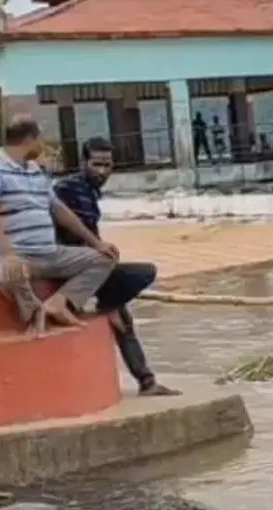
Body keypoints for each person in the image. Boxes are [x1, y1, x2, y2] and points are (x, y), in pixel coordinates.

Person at [53, 137, 180, 396]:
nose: (102, 171)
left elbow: (91, 233)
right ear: (83, 163)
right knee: (145, 273)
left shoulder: (89, 190)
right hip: (72, 264)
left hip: (90, 262)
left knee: (124, 316)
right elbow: (73, 232)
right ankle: (145, 378)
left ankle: (146, 381)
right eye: (96, 164)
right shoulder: (69, 188)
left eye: (107, 165)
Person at [0, 116, 118, 332]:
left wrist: (96, 243)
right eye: (41, 140)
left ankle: (59, 302)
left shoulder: (36, 170)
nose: (43, 146)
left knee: (105, 258)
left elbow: (59, 210)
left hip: (50, 253)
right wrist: (9, 254)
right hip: (16, 254)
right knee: (8, 274)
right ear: (30, 139)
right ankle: (33, 311)